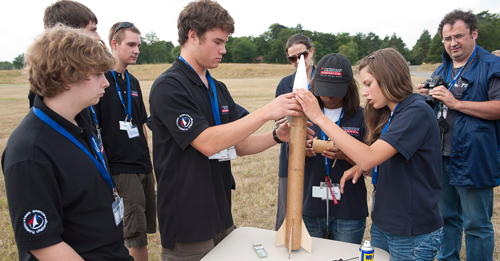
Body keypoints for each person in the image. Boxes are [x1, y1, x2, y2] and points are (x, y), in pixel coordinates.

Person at [149, 0, 302, 260]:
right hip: (188, 219)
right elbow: (208, 143)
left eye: (225, 42)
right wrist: (267, 111)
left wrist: (278, 136)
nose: (224, 50)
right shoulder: (169, 86)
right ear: (193, 36)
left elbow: (239, 144)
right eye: (218, 42)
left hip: (220, 210)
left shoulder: (216, 87)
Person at [295, 48, 443, 260]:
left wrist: (319, 117)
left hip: (411, 230)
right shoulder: (395, 113)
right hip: (385, 223)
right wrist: (361, 166)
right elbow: (383, 160)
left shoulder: (416, 111)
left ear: (388, 78)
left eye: (368, 84)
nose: (364, 92)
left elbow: (369, 155)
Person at [2, 25, 132, 261]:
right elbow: (45, 245)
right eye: (97, 75)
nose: (106, 83)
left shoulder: (80, 121)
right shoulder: (29, 151)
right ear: (66, 76)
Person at [416, 9, 500, 261]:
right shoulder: (442, 69)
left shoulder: (492, 66)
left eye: (459, 36)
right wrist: (425, 99)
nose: (452, 43)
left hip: (476, 156)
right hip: (440, 155)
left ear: (474, 33)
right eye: (447, 38)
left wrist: (457, 104)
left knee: (476, 224)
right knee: (445, 219)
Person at [93, 22, 156, 261]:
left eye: (138, 45)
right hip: (120, 168)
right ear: (114, 44)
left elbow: (140, 125)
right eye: (131, 44)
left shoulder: (134, 83)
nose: (136, 50)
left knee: (144, 226)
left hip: (142, 165)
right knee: (134, 232)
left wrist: (147, 159)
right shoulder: (100, 81)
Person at [301, 54, 368, 244]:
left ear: (348, 88)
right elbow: (288, 158)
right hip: (311, 207)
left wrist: (346, 155)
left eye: (335, 91)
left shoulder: (362, 117)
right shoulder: (304, 116)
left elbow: (372, 164)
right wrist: (301, 152)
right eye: (323, 90)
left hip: (349, 209)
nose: (328, 97)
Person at [275, 33, 315, 231]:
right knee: (287, 211)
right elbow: (279, 121)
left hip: (318, 156)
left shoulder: (324, 81)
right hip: (290, 157)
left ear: (311, 52)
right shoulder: (284, 84)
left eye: (302, 55)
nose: (298, 61)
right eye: (292, 58)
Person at [28, 0, 100, 108]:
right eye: (92, 30)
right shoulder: (51, 88)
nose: (98, 37)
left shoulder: (82, 78)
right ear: (71, 33)